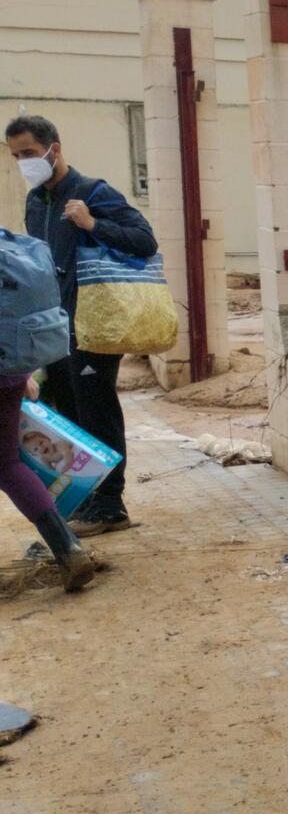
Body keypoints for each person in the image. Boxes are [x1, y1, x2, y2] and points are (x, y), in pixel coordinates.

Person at [6, 115, 156, 537]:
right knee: (67, 412)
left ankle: (111, 505)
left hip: (94, 324)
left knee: (97, 410)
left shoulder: (94, 192)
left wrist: (93, 224)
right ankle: (87, 497)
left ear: (55, 148)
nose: (25, 163)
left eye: (30, 154)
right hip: (55, 329)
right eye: (17, 156)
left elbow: (144, 240)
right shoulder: (37, 201)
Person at [0, 371, 96, 591]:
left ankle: (69, 550)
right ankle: (69, 549)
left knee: (5, 465)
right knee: (7, 465)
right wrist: (23, 373)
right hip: (8, 374)